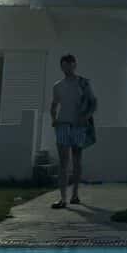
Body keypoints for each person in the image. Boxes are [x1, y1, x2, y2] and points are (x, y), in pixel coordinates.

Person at [50, 54, 98, 209]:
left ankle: (75, 195)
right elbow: (54, 104)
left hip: (78, 126)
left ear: (74, 65)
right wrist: (53, 118)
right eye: (63, 65)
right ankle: (62, 198)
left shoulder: (83, 83)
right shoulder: (57, 85)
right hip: (62, 125)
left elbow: (93, 103)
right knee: (63, 162)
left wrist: (86, 117)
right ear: (61, 66)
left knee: (77, 160)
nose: (66, 68)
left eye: (69, 65)